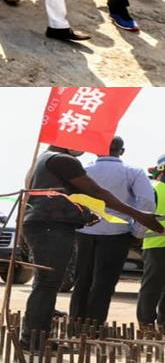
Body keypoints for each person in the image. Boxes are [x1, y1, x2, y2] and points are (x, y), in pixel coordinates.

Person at [20, 145, 163, 349]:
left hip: (51, 227)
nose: (84, 148)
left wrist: (86, 215)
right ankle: (34, 340)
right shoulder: (64, 160)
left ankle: (36, 337)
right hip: (53, 228)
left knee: (61, 282)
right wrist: (138, 215)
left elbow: (77, 197)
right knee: (50, 284)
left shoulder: (45, 159)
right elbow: (96, 192)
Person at [69, 137, 155, 326]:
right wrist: (137, 232)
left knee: (82, 280)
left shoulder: (84, 170)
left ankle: (75, 325)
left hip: (84, 230)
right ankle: (94, 326)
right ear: (121, 151)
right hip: (117, 232)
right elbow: (147, 202)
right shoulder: (132, 172)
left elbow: (71, 199)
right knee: (104, 282)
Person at [137, 155, 165, 328]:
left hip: (157, 245)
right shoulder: (153, 189)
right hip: (155, 244)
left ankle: (163, 323)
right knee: (152, 286)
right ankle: (146, 323)